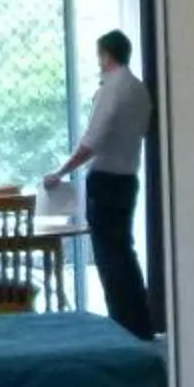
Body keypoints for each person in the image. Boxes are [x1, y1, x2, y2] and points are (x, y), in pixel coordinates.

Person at [44, 30, 156, 338]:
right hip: (128, 179)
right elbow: (144, 129)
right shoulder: (139, 89)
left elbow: (92, 141)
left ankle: (120, 325)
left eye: (99, 56)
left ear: (106, 55)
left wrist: (61, 171)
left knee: (108, 258)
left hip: (105, 181)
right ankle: (140, 325)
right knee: (124, 252)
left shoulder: (111, 89)